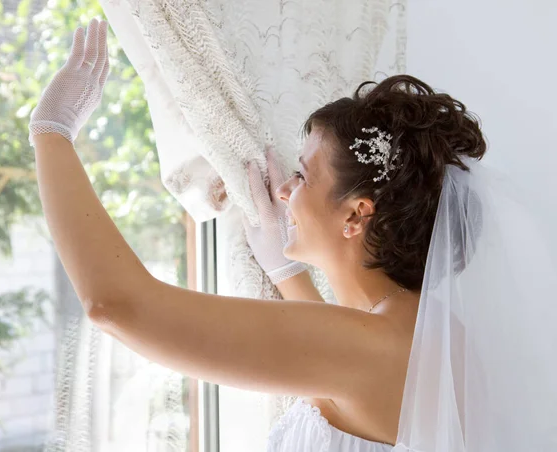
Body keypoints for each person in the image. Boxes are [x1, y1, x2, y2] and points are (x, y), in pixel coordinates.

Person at [28, 19, 557, 451]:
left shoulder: (369, 348)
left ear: (356, 215)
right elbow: (341, 370)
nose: (285, 193)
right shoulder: (427, 331)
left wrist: (52, 132)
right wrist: (288, 275)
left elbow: (116, 307)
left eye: (303, 175)